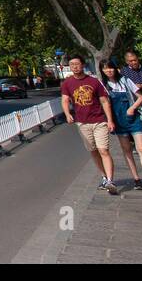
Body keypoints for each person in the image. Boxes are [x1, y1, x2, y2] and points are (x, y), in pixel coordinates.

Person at [60, 54, 119, 194]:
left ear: (83, 65)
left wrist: (110, 120)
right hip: (82, 122)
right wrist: (68, 114)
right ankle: (104, 176)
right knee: (93, 151)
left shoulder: (94, 82)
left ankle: (110, 180)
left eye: (77, 64)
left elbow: (104, 101)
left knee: (103, 150)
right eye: (72, 64)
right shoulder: (67, 83)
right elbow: (65, 100)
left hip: (99, 121)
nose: (74, 66)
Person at [101, 59, 142, 194]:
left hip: (133, 119)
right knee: (127, 150)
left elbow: (141, 97)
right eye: (105, 69)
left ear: (115, 68)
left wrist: (132, 108)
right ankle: (136, 179)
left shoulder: (126, 81)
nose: (108, 71)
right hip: (119, 121)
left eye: (110, 67)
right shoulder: (104, 86)